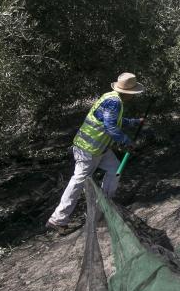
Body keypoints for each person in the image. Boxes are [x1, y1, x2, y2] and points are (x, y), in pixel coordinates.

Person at [46, 72, 145, 233]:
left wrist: (133, 122)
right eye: (132, 94)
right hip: (89, 149)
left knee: (115, 170)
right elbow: (110, 127)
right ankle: (58, 219)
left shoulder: (111, 97)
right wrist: (127, 142)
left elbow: (112, 120)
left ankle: (104, 209)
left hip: (99, 149)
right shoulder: (115, 102)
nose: (133, 97)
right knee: (78, 181)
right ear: (127, 93)